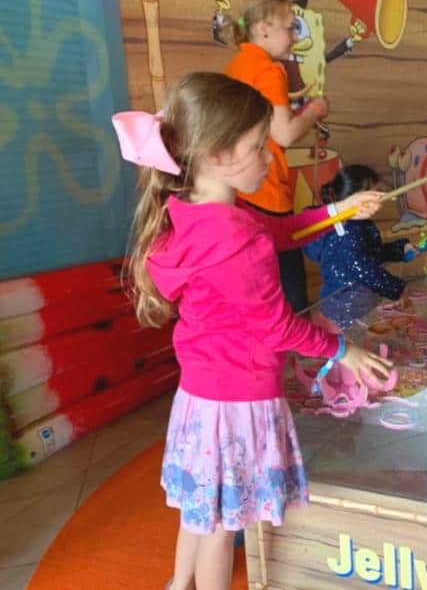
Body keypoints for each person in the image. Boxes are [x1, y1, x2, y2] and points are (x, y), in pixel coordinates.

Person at [113, 72, 392, 590]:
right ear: (218, 155)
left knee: (201, 511)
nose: (269, 158)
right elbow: (277, 325)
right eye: (258, 147)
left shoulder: (194, 209)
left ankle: (178, 586)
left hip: (202, 395)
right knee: (224, 525)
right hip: (238, 400)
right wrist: (341, 351)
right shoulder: (233, 236)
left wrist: (338, 211)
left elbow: (279, 230)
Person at [222, 0, 329, 312]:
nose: (295, 36)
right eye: (290, 27)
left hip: (238, 193)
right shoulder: (269, 70)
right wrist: (314, 111)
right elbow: (283, 134)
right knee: (294, 298)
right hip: (267, 194)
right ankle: (303, 359)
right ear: (263, 27)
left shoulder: (235, 67)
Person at [304, 165, 414, 302]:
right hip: (343, 306)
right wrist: (398, 289)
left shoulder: (360, 224)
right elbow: (363, 269)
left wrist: (400, 249)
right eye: (375, 194)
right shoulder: (347, 231)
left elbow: (371, 254)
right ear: (355, 199)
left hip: (357, 301)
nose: (380, 201)